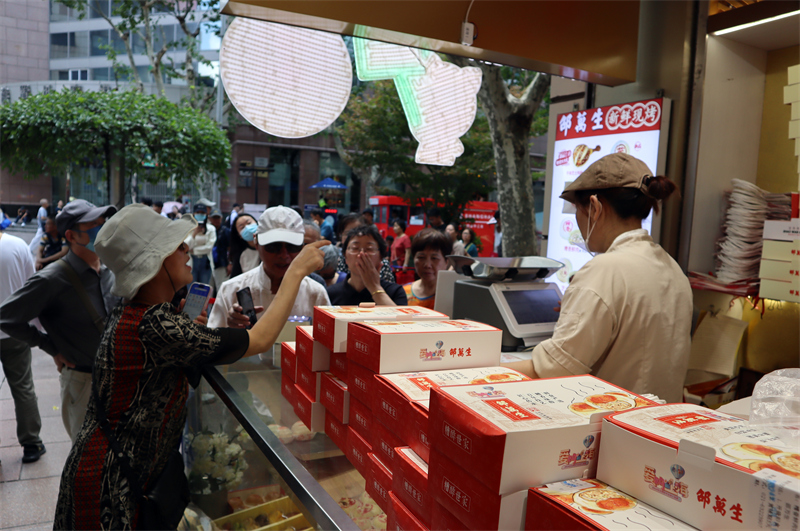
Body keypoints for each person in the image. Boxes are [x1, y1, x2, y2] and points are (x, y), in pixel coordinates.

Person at [53, 204, 327, 530]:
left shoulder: (146, 314)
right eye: (176, 246)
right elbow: (259, 340)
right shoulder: (156, 323)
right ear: (154, 263)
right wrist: (296, 272)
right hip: (111, 486)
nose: (186, 249)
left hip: (113, 470)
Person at [503, 153, 692, 403]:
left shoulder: (604, 270)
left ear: (594, 207)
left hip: (609, 427)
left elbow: (550, 370)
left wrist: (474, 370)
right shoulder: (672, 268)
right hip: (657, 427)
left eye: (577, 211)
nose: (578, 223)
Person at [0, 199, 118, 442]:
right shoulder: (52, 278)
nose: (102, 230)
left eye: (103, 223)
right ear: (71, 236)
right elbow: (6, 316)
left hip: (117, 380)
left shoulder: (109, 270)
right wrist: (48, 345)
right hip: (83, 384)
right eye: (93, 226)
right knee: (88, 463)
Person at [210, 206, 330, 329]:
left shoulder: (315, 294)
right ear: (256, 243)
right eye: (273, 246)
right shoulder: (230, 291)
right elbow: (213, 343)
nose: (284, 255)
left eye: (292, 247)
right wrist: (229, 333)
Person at [0, 225, 45, 463]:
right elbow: (32, 287)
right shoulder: (17, 246)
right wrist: (36, 329)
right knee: (23, 386)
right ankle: (31, 444)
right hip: (15, 330)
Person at [327, 225, 408, 306]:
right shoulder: (330, 294)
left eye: (370, 248)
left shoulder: (395, 292)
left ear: (381, 257)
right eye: (355, 248)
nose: (361, 254)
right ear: (345, 256)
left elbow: (400, 318)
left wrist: (375, 288)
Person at [403, 229, 451, 309]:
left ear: (446, 262)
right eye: (421, 257)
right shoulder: (403, 293)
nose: (427, 265)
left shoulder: (451, 295)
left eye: (434, 258)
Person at [185, 204, 217, 285]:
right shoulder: (188, 229)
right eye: (197, 212)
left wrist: (194, 250)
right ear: (193, 214)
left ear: (206, 214)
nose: (200, 214)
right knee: (191, 288)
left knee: (204, 289)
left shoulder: (211, 229)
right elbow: (186, 246)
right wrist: (194, 234)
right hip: (191, 261)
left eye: (202, 213)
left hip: (205, 261)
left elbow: (209, 247)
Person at [230, 213, 260, 277]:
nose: (247, 227)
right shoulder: (241, 254)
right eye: (242, 227)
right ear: (238, 234)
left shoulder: (269, 245)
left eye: (249, 223)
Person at [209, 209, 230, 295]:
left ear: (221, 218)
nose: (216, 220)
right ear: (210, 218)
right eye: (214, 218)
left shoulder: (226, 231)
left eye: (218, 218)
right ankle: (208, 309)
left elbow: (230, 248)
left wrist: (230, 263)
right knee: (208, 291)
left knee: (221, 290)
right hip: (208, 265)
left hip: (222, 264)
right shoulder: (206, 230)